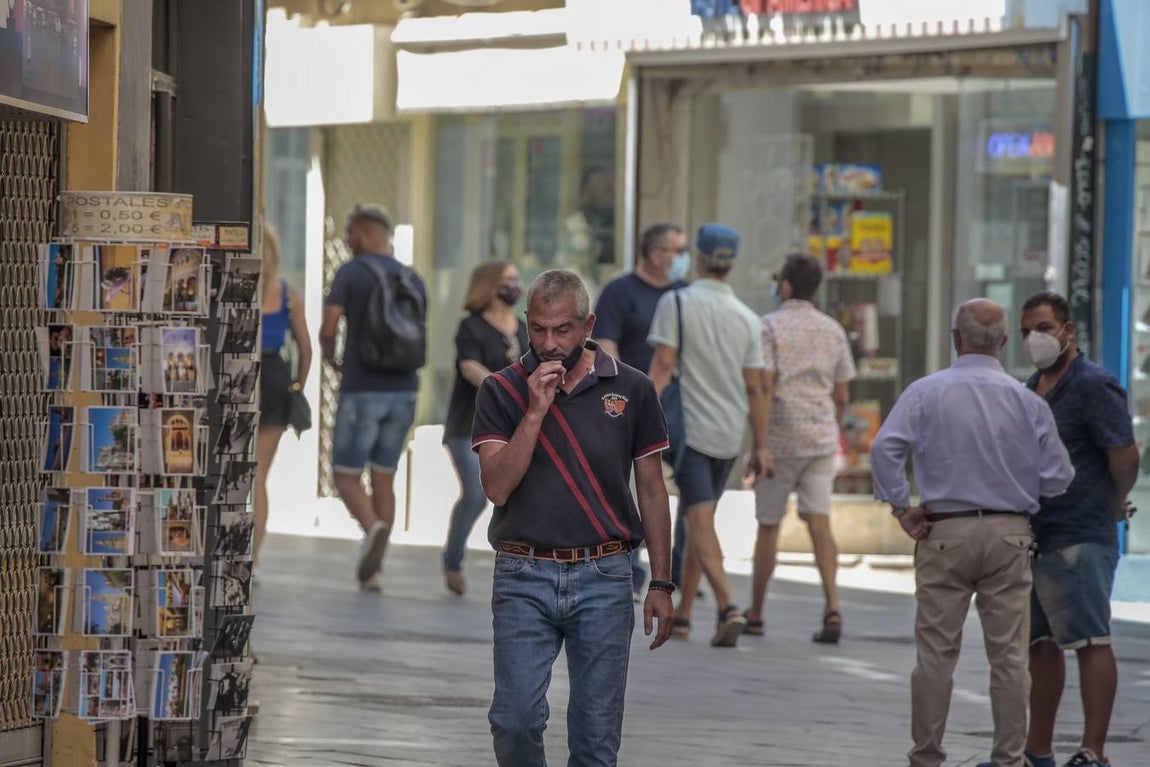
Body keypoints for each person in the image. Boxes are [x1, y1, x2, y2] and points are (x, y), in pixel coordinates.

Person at [472, 268, 675, 766]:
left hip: (604, 573)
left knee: (595, 736)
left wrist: (663, 584)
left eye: (562, 330)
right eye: (538, 329)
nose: (549, 342)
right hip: (523, 571)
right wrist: (535, 411)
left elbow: (651, 490)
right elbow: (497, 486)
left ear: (588, 324)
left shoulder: (632, 389)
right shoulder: (502, 390)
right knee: (514, 719)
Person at [870, 299, 1074, 767]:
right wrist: (1021, 489)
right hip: (1009, 534)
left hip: (945, 531)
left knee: (936, 655)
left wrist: (902, 506)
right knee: (1008, 657)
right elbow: (1059, 476)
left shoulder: (926, 391)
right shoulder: (1028, 400)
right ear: (1004, 342)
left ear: (955, 338)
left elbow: (886, 449)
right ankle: (1008, 759)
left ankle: (926, 756)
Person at [974, 292, 1137, 767]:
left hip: (1080, 535)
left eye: (1043, 328)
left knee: (1090, 640)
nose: (1033, 339)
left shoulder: (1093, 385)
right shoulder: (1030, 387)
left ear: (1068, 331)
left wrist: (1109, 502)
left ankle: (1094, 752)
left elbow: (1124, 454)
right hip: (1036, 535)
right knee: (1039, 646)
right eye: (1026, 331)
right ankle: (1036, 751)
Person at [648, 223, 771, 647]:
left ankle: (726, 606)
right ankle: (682, 616)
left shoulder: (676, 303)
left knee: (698, 520)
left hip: (694, 433)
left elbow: (663, 366)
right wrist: (761, 445)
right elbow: (756, 386)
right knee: (702, 519)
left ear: (698, 257)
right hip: (730, 434)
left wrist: (638, 415)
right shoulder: (748, 319)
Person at [747, 253, 854, 643]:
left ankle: (756, 613)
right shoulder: (833, 330)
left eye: (779, 280)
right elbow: (842, 393)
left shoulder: (769, 327)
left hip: (779, 438)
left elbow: (762, 385)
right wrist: (833, 429)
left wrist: (759, 444)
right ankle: (833, 606)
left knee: (769, 526)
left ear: (787, 285)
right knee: (820, 523)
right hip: (821, 437)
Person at [320, 203, 427, 591]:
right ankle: (375, 571)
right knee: (385, 477)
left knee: (346, 476)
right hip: (404, 390)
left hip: (362, 387)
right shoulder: (413, 277)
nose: (347, 241)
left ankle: (372, 529)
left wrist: (332, 358)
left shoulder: (351, 273)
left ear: (365, 232)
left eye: (350, 233)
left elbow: (329, 326)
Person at [593, 222, 689, 597]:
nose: (683, 259)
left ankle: (678, 568)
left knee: (691, 486)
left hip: (680, 403)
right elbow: (606, 345)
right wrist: (623, 395)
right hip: (632, 402)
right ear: (655, 254)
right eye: (677, 251)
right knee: (630, 484)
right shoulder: (620, 292)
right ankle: (631, 571)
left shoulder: (685, 295)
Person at [440, 260, 528, 596]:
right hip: (469, 425)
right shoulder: (471, 328)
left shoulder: (522, 328)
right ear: (489, 285)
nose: (514, 285)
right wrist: (501, 388)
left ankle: (516, 563)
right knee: (476, 494)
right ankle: (453, 558)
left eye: (516, 279)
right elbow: (468, 366)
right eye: (507, 280)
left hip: (512, 429)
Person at [254, 226, 312, 567]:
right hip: (275, 376)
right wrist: (297, 387)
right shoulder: (288, 294)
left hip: (241, 372)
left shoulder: (238, 284)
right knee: (259, 474)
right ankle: (255, 555)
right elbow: (305, 347)